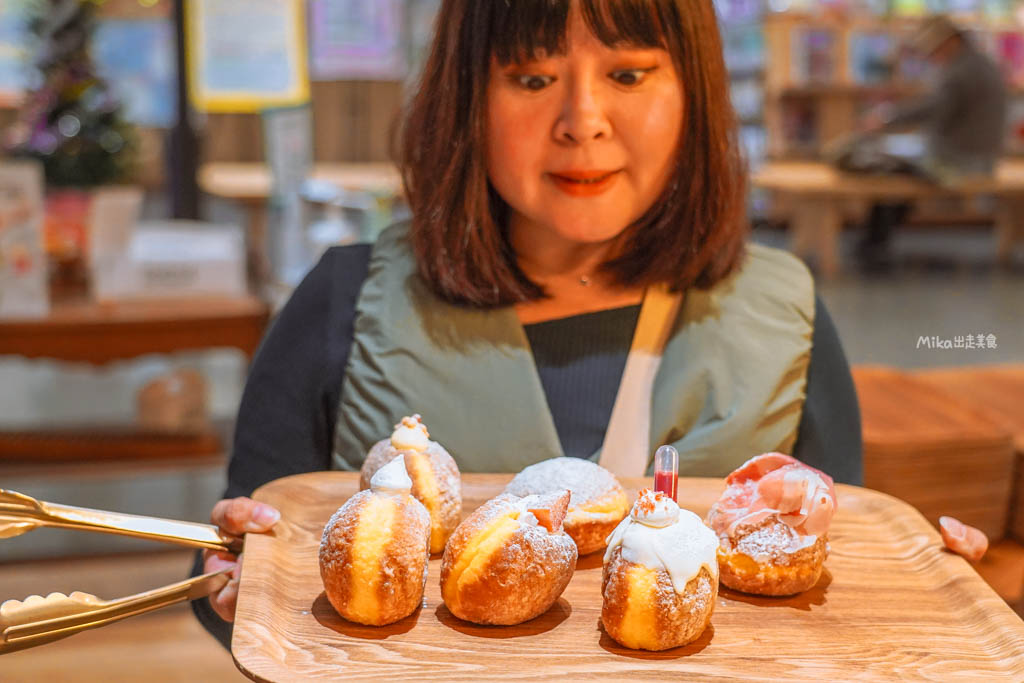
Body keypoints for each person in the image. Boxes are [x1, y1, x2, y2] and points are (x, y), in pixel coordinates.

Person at [193, 0, 862, 647]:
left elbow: (853, 579)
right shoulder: (343, 299)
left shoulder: (788, 315)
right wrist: (228, 576)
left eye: (628, 74)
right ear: (467, 98)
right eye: (533, 78)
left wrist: (950, 561)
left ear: (696, 89)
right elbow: (228, 569)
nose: (583, 120)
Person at [857, 14, 1008, 268]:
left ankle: (874, 245)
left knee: (887, 171)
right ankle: (875, 242)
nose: (931, 56)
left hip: (961, 159)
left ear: (949, 42)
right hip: (977, 155)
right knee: (896, 163)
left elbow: (934, 108)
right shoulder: (979, 63)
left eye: (933, 50)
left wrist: (886, 117)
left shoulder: (963, 70)